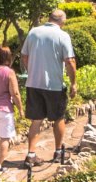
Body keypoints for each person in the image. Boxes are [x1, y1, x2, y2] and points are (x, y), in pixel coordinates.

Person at [18, 8, 77, 163]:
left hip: (33, 83)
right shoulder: (63, 36)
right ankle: (58, 152)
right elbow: (70, 61)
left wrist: (32, 70)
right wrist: (73, 83)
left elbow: (24, 56)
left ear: (49, 18)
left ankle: (31, 155)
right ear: (62, 21)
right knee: (58, 118)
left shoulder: (34, 32)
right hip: (54, 85)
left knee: (36, 120)